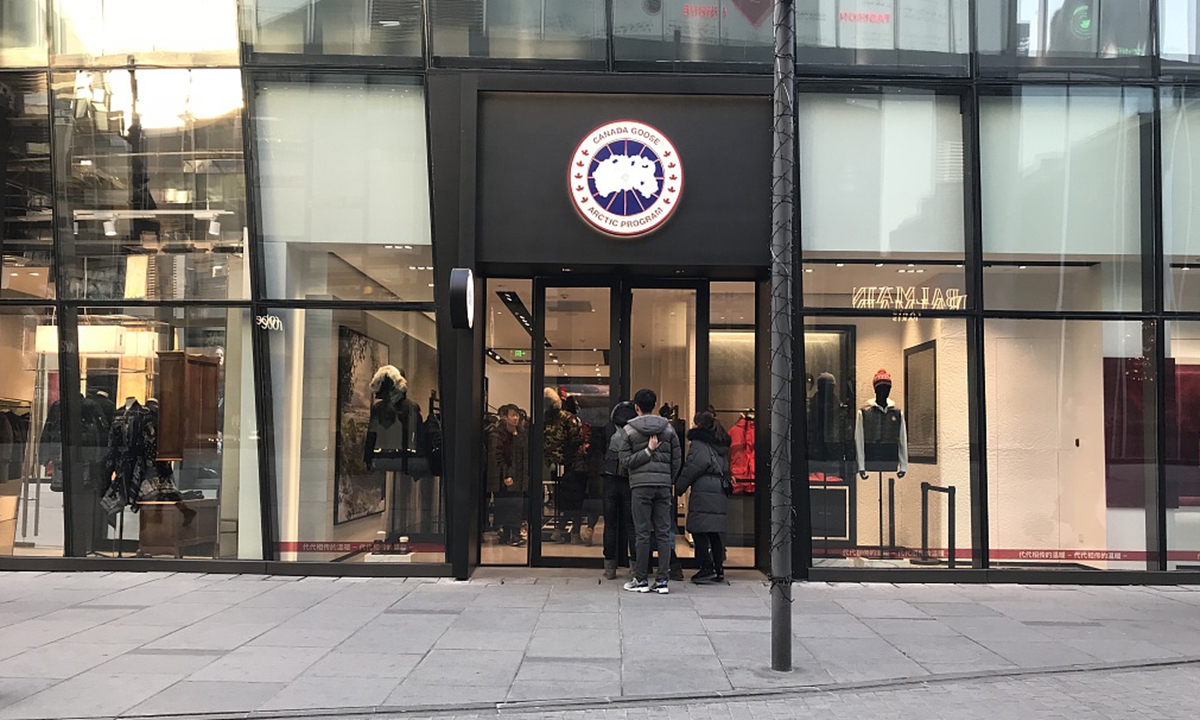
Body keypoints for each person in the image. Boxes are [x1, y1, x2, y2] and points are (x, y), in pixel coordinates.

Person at [618, 388, 682, 594]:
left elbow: (625, 461)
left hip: (640, 486)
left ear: (636, 407)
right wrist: (668, 479)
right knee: (663, 533)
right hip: (663, 486)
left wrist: (646, 452)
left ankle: (641, 579)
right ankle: (662, 581)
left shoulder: (628, 430)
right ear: (654, 405)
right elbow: (677, 460)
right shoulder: (669, 429)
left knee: (642, 533)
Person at [676, 411, 732, 584]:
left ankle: (706, 567)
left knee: (698, 529)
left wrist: (679, 487)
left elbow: (693, 467)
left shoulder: (699, 444)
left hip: (704, 488)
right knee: (714, 532)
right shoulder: (721, 441)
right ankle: (718, 569)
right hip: (719, 488)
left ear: (698, 424)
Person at [601, 401, 638, 579]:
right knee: (632, 526)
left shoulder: (608, 428)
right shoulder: (636, 430)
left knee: (610, 525)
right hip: (629, 479)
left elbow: (601, 451)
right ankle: (635, 566)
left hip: (610, 479)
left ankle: (610, 568)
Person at [486, 404, 528, 546]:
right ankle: (509, 532)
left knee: (517, 504)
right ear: (505, 417)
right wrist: (505, 474)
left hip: (520, 475)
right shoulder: (499, 434)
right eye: (512, 415)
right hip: (505, 475)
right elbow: (497, 456)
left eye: (517, 415)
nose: (515, 418)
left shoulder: (522, 433)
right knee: (507, 504)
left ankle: (513, 532)